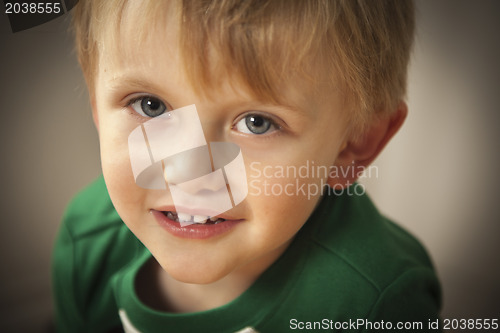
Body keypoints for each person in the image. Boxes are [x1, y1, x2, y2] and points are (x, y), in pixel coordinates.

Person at [52, 0, 441, 332]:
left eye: (258, 122)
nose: (188, 174)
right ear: (96, 106)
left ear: (353, 146)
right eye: (150, 106)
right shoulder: (87, 238)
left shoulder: (378, 303)